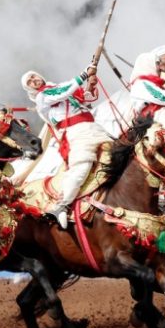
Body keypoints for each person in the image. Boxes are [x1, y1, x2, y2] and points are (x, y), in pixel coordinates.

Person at [21, 64, 111, 229]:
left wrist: (90, 84)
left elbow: (85, 97)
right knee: (82, 165)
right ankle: (62, 205)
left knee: (118, 152)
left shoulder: (56, 87)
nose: (34, 80)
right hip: (74, 132)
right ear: (30, 89)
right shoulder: (43, 96)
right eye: (29, 81)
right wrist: (84, 74)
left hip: (93, 127)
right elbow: (64, 91)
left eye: (34, 76)